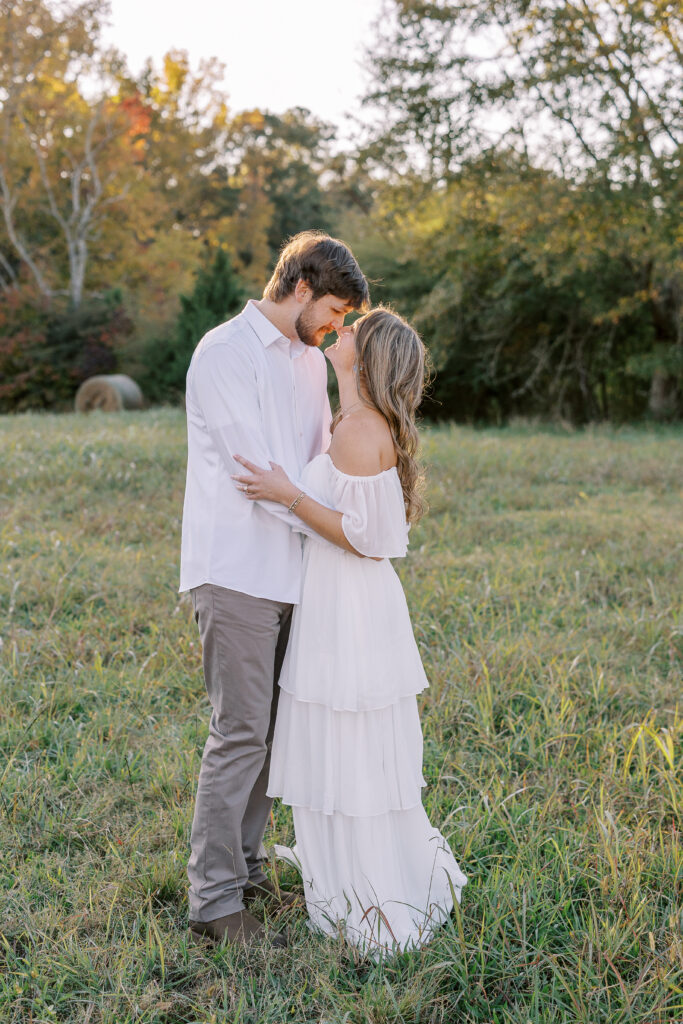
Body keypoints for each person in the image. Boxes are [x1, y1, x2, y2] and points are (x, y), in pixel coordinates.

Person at [232, 307, 467, 956]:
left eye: (354, 329)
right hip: (332, 597)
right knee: (336, 744)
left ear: (365, 362)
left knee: (349, 747)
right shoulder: (348, 423)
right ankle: (342, 879)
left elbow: (373, 539)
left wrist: (286, 493)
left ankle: (369, 900)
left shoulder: (360, 431)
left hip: (350, 605)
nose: (343, 328)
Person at [179, 230, 370, 946]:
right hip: (236, 570)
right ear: (299, 286)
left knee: (272, 732)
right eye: (333, 309)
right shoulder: (222, 353)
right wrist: (328, 519)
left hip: (297, 568)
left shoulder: (304, 364)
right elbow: (255, 475)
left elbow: (315, 463)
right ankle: (215, 902)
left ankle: (249, 865)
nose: (337, 326)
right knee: (238, 734)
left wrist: (344, 515)